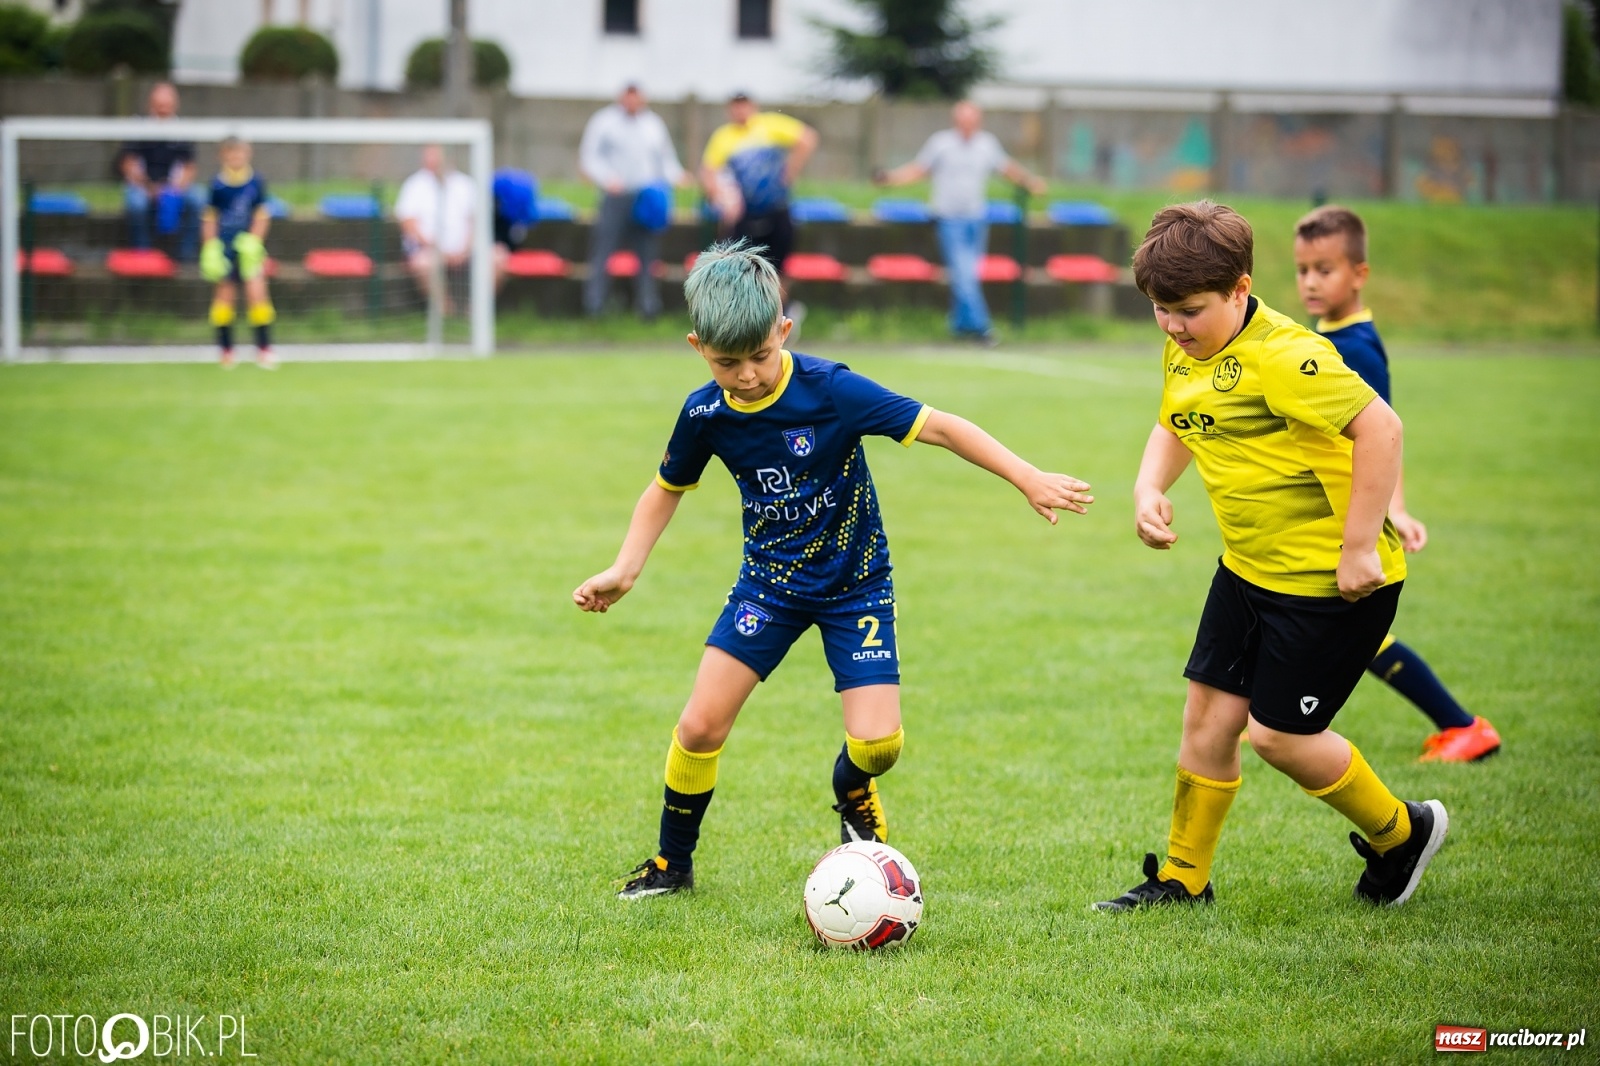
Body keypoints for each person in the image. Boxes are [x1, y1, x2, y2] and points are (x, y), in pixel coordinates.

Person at [572, 241, 1094, 899]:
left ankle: (852, 787)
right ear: (697, 346)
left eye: (761, 356)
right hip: (768, 585)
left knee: (879, 746)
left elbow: (939, 427)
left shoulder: (831, 389)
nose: (749, 376)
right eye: (727, 362)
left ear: (784, 331)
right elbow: (665, 488)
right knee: (700, 725)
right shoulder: (705, 413)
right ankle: (672, 866)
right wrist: (626, 568)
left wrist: (1027, 477)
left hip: (856, 586)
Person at [1096, 201, 1447, 912]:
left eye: (1188, 310)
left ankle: (1402, 833)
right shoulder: (1188, 341)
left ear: (1239, 287)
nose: (1171, 325)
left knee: (1279, 739)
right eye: (1160, 310)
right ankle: (1184, 879)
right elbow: (1177, 419)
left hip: (1332, 585)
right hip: (1247, 570)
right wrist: (1146, 487)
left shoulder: (1288, 356)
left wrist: (1357, 547)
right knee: (1206, 721)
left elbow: (1382, 429)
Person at [1293, 205, 1500, 762]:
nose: (1311, 281)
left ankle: (1462, 726)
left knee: (1352, 636)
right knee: (1294, 617)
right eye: (1303, 269)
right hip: (1325, 510)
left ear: (1359, 274)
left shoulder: (1355, 347)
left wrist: (1395, 510)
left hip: (1348, 516)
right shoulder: (1326, 335)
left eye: (1325, 269)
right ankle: (1261, 715)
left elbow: (1383, 432)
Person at [875, 101, 1047, 345]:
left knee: (967, 275)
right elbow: (919, 169)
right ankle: (981, 327)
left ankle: (959, 326)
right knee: (965, 274)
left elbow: (1006, 168)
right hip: (948, 219)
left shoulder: (987, 144)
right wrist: (891, 179)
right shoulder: (941, 143)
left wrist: (1029, 182)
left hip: (976, 219)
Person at [700, 92, 818, 329]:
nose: (740, 112)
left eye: (744, 106)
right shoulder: (723, 137)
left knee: (777, 269)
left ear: (753, 107)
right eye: (735, 107)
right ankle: (742, 321)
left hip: (776, 209)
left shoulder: (771, 126)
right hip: (744, 215)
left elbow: (807, 138)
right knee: (740, 268)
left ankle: (781, 317)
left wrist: (791, 171)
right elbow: (708, 171)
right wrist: (720, 198)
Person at [579, 83, 689, 320]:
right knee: (603, 251)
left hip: (645, 198)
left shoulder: (653, 124)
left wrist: (677, 176)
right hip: (615, 196)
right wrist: (607, 179)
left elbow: (665, 159)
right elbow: (589, 157)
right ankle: (594, 306)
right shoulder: (604, 121)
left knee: (648, 254)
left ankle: (648, 308)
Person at [199, 137, 274, 369]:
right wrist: (210, 246)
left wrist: (254, 241)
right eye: (231, 154)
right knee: (224, 298)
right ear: (223, 155)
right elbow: (210, 218)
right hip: (225, 248)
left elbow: (262, 215)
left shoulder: (256, 182)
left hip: (248, 248)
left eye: (240, 153)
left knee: (257, 294)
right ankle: (226, 351)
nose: (236, 158)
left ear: (248, 154)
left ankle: (264, 349)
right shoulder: (217, 185)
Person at [394, 145, 488, 313]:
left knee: (497, 258)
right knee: (423, 263)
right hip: (429, 251)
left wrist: (465, 250)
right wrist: (437, 249)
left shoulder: (466, 185)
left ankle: (475, 313)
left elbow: (476, 222)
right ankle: (445, 311)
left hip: (464, 252)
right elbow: (408, 223)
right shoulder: (414, 185)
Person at [119, 82, 207, 260]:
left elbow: (189, 167)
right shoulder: (138, 127)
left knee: (199, 199)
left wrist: (173, 189)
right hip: (143, 185)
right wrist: (150, 188)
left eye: (167, 106)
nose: (163, 110)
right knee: (137, 204)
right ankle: (142, 254)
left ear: (175, 105)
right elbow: (128, 163)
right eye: (159, 105)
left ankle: (186, 255)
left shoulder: (182, 130)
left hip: (174, 187)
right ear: (151, 104)